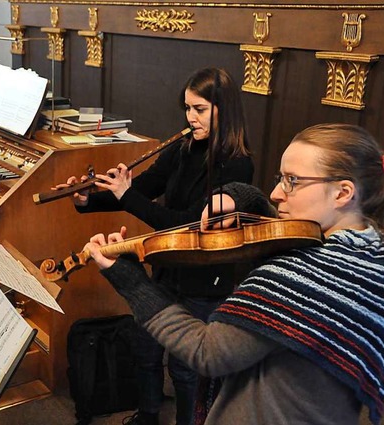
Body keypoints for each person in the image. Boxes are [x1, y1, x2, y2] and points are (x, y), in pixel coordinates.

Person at [85, 123, 384, 425]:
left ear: (343, 193)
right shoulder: (378, 258)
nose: (277, 192)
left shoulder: (305, 277)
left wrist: (133, 283)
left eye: (293, 181)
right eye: (280, 179)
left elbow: (207, 352)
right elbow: (274, 216)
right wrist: (245, 196)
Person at [55, 68, 260, 425]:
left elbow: (186, 226)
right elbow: (144, 188)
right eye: (187, 108)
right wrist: (88, 199)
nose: (190, 117)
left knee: (184, 368)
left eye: (199, 109)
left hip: (203, 279)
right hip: (166, 267)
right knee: (146, 349)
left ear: (223, 110)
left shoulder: (238, 165)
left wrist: (127, 195)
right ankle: (147, 416)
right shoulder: (183, 149)